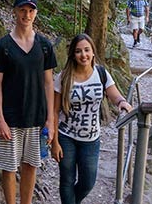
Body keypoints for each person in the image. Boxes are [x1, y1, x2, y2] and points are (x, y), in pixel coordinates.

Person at [0, 0, 57, 204]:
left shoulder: (45, 46)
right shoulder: (3, 46)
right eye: (22, 10)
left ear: (35, 13)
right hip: (10, 117)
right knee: (9, 167)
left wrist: (50, 120)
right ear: (15, 12)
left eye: (31, 10)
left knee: (30, 164)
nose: (26, 15)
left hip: (36, 118)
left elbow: (49, 83)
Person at [51, 33, 133, 204]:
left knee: (88, 182)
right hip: (66, 136)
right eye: (78, 51)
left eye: (87, 50)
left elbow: (114, 94)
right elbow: (54, 111)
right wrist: (55, 142)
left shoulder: (101, 73)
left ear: (93, 52)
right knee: (67, 180)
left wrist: (122, 102)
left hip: (91, 138)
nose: (83, 55)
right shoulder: (64, 77)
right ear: (73, 54)